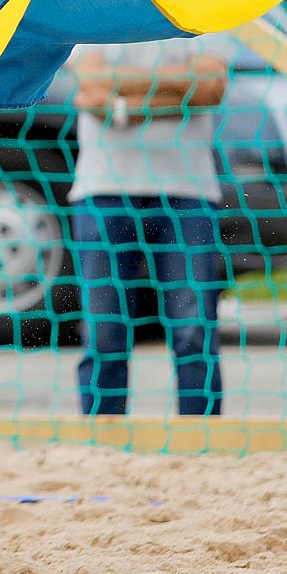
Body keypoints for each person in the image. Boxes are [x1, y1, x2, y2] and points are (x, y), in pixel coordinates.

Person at [66, 33, 230, 414]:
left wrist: (121, 103)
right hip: (103, 188)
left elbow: (209, 88)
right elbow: (88, 86)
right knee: (104, 333)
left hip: (187, 188)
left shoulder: (202, 0)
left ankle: (200, 443)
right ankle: (101, 446)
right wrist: (177, 88)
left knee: (194, 332)